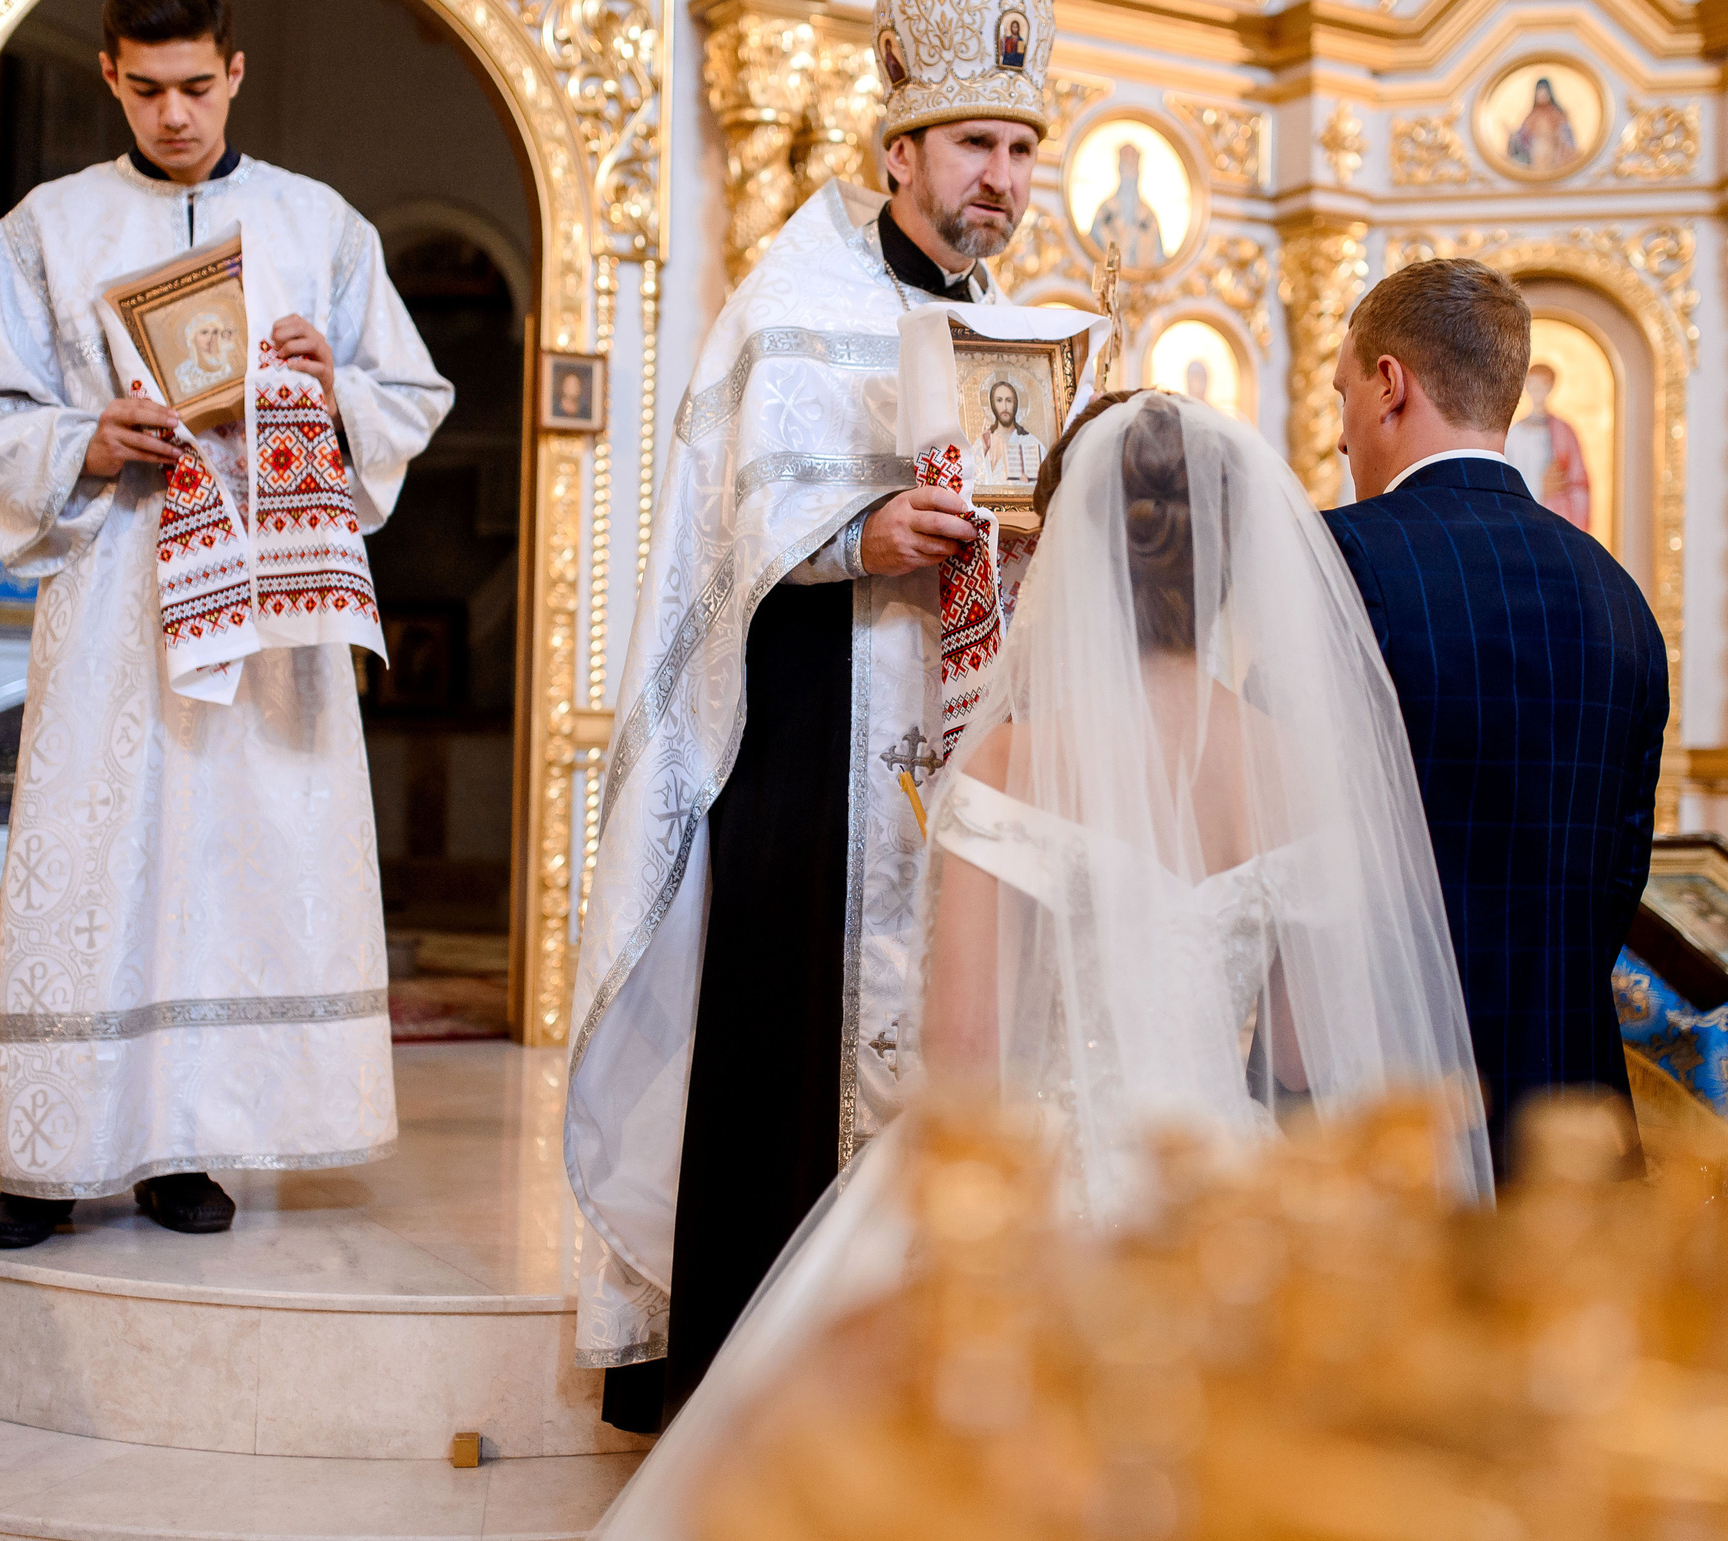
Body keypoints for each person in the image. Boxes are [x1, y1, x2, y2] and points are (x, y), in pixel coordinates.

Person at [589, 392, 1490, 1538]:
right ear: (1228, 563)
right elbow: (1308, 1046)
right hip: (1223, 1190)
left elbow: (963, 1057)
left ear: (1070, 556)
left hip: (1044, 1188)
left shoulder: (1015, 759)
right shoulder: (1289, 766)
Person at [569, 0, 1055, 1432]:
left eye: (1024, 147)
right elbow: (721, 550)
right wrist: (860, 538)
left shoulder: (1025, 326)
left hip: (967, 746)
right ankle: (761, 1392)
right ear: (898, 148)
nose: (1003, 178)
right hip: (811, 745)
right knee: (791, 1049)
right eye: (977, 143)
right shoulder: (792, 302)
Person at [0, 0, 452, 1249]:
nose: (175, 114)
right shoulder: (47, 228)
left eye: (198, 87)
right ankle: (48, 1154)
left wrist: (330, 390)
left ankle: (188, 1143)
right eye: (149, 89)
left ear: (235, 74)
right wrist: (88, 440)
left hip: (268, 602)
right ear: (111, 74)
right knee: (101, 856)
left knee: (233, 861)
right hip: (116, 591)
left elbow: (410, 393)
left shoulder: (316, 225)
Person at [1324, 258, 1668, 1176]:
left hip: (1390, 1114)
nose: (1342, 437)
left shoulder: (1334, 561)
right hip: (1574, 1116)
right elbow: (1616, 879)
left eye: (1343, 395)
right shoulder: (1617, 593)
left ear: (1389, 386)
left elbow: (1298, 850)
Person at [1505, 359, 1593, 530]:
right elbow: (1506, 480)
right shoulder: (1515, 433)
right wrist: (1539, 488)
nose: (1538, 392)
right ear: (1526, 387)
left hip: (1554, 519)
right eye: (1533, 386)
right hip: (1521, 520)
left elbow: (1578, 481)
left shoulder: (1564, 431)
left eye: (1543, 386)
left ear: (1551, 388)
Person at [1087, 142, 1168, 268]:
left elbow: (1158, 260)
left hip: (1141, 284)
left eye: (1132, 164)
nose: (1129, 169)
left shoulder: (1147, 216)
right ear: (1119, 168)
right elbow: (1090, 250)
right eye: (1126, 163)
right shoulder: (1105, 211)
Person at [972, 378, 1042, 485]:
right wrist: (985, 452)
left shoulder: (1030, 442)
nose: (1005, 407)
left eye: (1009, 400)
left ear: (1015, 404)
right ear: (992, 404)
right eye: (999, 400)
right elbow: (972, 482)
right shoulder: (982, 443)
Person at [1507, 76, 1579, 172]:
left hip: (1554, 155)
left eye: (1544, 91)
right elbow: (1522, 138)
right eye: (1539, 91)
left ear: (1549, 92)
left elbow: (1567, 138)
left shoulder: (1557, 115)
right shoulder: (1531, 117)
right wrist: (1513, 136)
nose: (1541, 94)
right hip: (1535, 156)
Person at [172, 307, 237, 394]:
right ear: (193, 338)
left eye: (214, 332)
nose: (210, 337)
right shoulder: (184, 370)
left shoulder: (229, 360)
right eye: (204, 332)